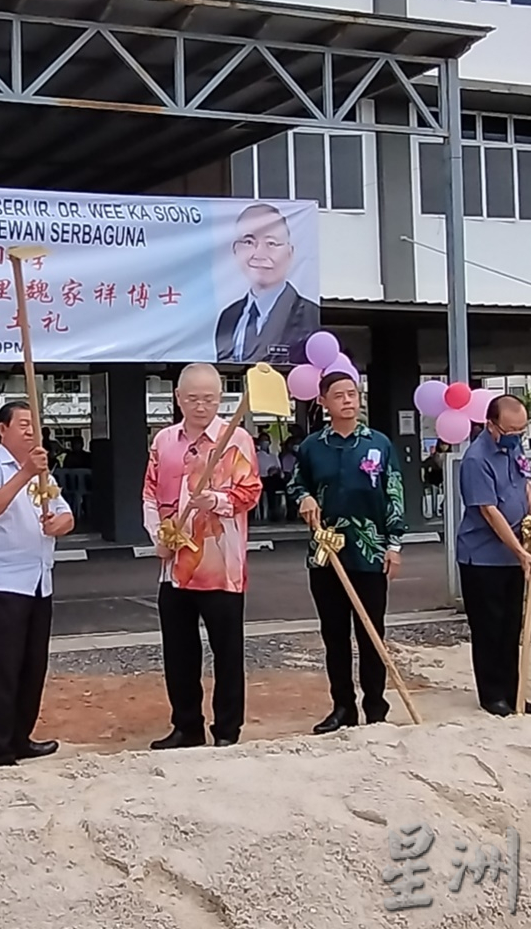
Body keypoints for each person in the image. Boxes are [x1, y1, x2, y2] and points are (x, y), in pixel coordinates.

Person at [142, 363, 262, 750]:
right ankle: (186, 725)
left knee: (227, 653)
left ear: (220, 398)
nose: (201, 405)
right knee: (178, 653)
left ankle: (227, 730)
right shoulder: (163, 441)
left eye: (209, 398)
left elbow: (251, 492)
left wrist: (219, 500)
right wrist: (157, 536)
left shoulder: (236, 438)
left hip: (221, 566)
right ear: (178, 398)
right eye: (192, 398)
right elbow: (149, 493)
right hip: (174, 567)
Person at [289, 372, 405, 734]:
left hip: (369, 552)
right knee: (334, 634)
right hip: (326, 553)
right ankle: (343, 706)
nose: (347, 401)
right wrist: (304, 497)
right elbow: (297, 483)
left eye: (352, 394)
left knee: (372, 632)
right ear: (323, 402)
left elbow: (394, 494)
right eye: (338, 395)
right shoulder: (312, 447)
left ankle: (376, 706)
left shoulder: (378, 444)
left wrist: (394, 545)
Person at [0, 402, 75, 767]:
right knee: (1, 670)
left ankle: (19, 738)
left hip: (39, 581)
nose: (31, 431)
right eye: (23, 424)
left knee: (32, 667)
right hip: (0, 584)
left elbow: (65, 514)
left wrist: (60, 524)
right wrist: (24, 473)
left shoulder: (42, 470)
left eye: (35, 425)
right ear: (2, 430)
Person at [455, 395, 531, 717]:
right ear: (491, 425)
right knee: (489, 626)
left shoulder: (515, 448)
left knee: (511, 626)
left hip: (513, 555)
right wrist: (519, 550)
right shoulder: (476, 459)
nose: (515, 436)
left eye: (521, 430)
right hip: (482, 556)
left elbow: (522, 482)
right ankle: (492, 694)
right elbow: (490, 511)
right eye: (510, 430)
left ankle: (513, 689)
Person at [214, 203, 318, 365]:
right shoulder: (228, 317)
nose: (259, 254)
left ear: (290, 253)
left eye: (271, 243)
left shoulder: (307, 314)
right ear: (235, 250)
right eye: (248, 242)